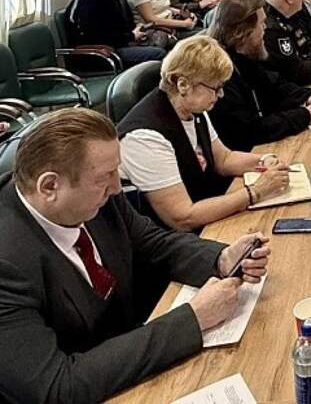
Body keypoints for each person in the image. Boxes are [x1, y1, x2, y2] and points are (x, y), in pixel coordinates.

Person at [0, 107, 271, 402]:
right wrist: (193, 319)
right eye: (105, 177)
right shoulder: (7, 265)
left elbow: (152, 243)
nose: (118, 188)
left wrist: (221, 259)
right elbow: (58, 387)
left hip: (131, 365)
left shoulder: (96, 196)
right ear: (50, 186)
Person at [118, 36, 292, 232]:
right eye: (215, 88)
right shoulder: (145, 137)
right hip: (175, 237)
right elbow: (182, 218)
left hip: (205, 213)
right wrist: (255, 192)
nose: (221, 95)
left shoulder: (193, 108)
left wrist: (263, 161)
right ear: (183, 84)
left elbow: (224, 159)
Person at [207, 0, 311, 151]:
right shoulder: (219, 73)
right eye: (261, 24)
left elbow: (274, 86)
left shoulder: (244, 54)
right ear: (242, 32)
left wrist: (308, 97)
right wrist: (306, 115)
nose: (265, 28)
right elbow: (249, 131)